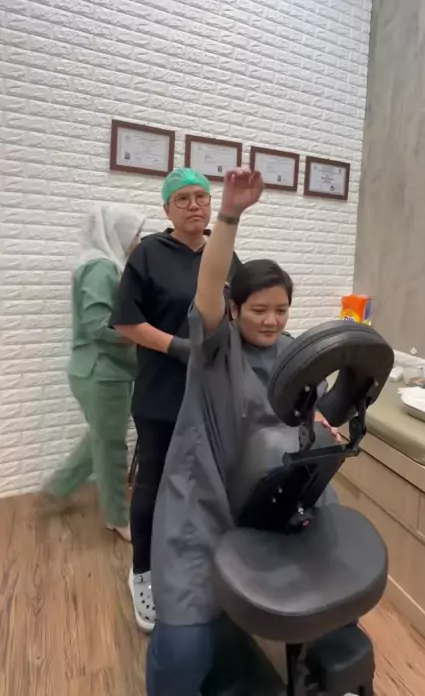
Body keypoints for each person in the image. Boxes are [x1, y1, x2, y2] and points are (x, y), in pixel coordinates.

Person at [146, 169, 340, 696]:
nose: (272, 321)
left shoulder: (295, 353)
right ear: (234, 310)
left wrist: (320, 421)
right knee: (185, 650)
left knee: (329, 606)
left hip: (274, 502)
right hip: (203, 508)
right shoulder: (216, 347)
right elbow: (208, 287)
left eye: (281, 310)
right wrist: (228, 215)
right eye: (259, 310)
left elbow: (312, 412)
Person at [111, 168, 241, 631]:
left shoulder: (224, 254)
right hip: (162, 391)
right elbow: (125, 321)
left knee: (206, 481)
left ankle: (197, 560)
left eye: (201, 197)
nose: (194, 206)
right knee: (154, 482)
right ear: (167, 208)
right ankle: (143, 573)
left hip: (211, 392)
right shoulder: (149, 254)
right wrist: (176, 346)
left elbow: (239, 315)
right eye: (182, 199)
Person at [41, 204, 145, 541]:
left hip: (99, 370)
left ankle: (57, 488)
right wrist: (146, 334)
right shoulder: (101, 268)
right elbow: (99, 326)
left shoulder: (103, 265)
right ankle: (118, 517)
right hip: (103, 373)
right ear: (117, 233)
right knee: (112, 447)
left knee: (101, 437)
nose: (137, 241)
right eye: (135, 234)